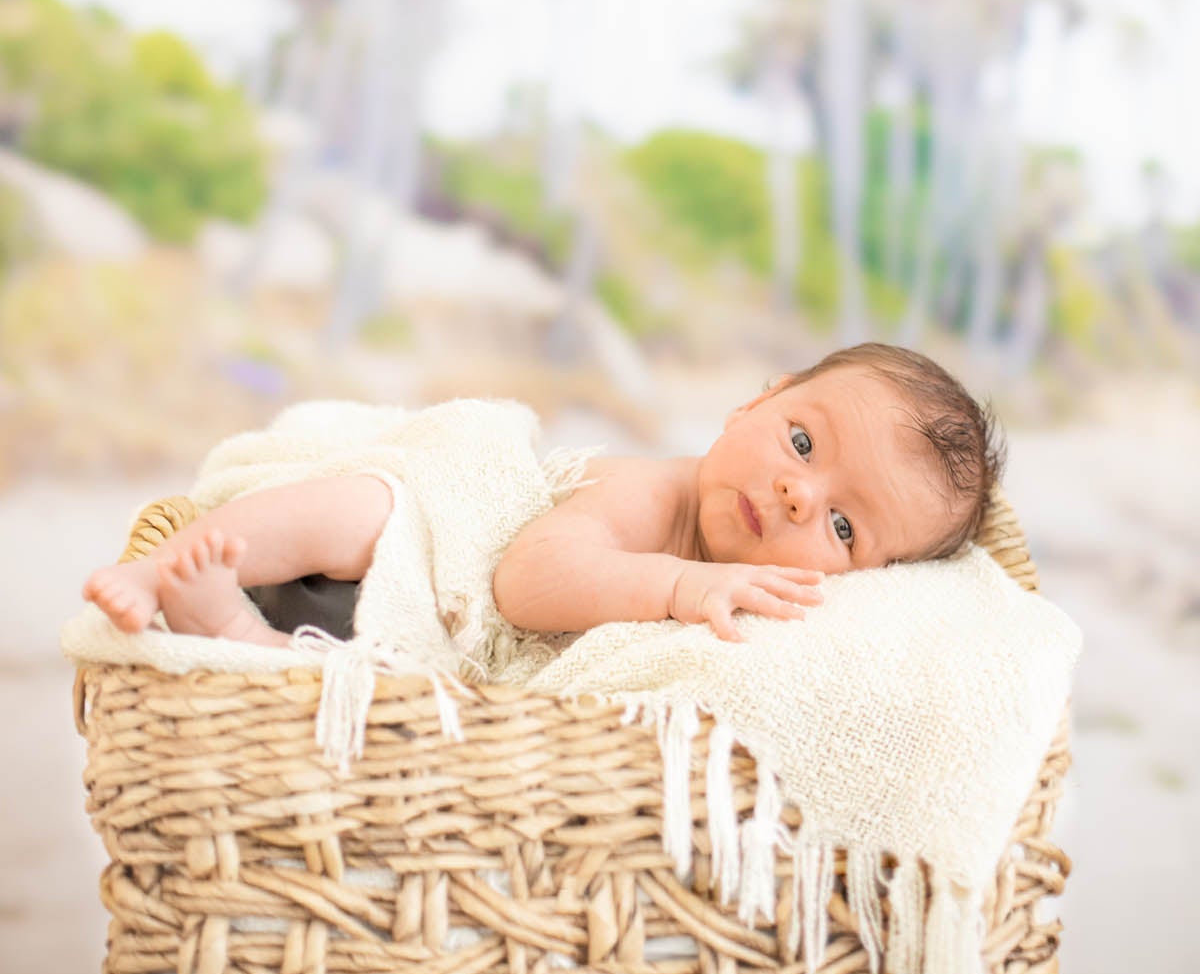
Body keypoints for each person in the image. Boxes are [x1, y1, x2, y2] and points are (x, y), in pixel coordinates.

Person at [82, 342, 1004, 649]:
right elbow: (529, 582)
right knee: (358, 508)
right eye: (801, 442)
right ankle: (166, 564)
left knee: (374, 700)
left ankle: (229, 630)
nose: (799, 494)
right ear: (752, 403)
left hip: (413, 632)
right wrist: (680, 590)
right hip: (445, 536)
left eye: (844, 525)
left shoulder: (762, 602)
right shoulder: (660, 500)